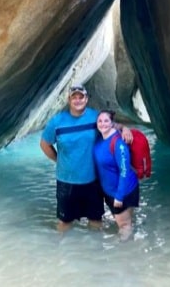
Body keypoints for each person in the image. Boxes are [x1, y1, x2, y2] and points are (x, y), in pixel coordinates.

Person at [40, 84, 131, 232]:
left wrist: (125, 128)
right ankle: (61, 253)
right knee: (65, 222)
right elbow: (45, 144)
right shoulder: (57, 121)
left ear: (86, 99)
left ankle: (94, 253)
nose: (77, 100)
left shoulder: (95, 117)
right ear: (68, 100)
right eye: (73, 97)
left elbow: (112, 126)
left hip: (92, 181)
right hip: (66, 182)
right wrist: (58, 160)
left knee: (95, 220)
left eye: (80, 97)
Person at [93, 110, 139, 241]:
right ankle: (131, 244)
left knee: (124, 226)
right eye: (100, 121)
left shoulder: (118, 143)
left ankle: (124, 254)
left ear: (112, 123)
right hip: (109, 191)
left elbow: (124, 171)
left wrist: (119, 197)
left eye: (106, 121)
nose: (103, 124)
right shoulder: (99, 139)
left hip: (123, 191)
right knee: (126, 222)